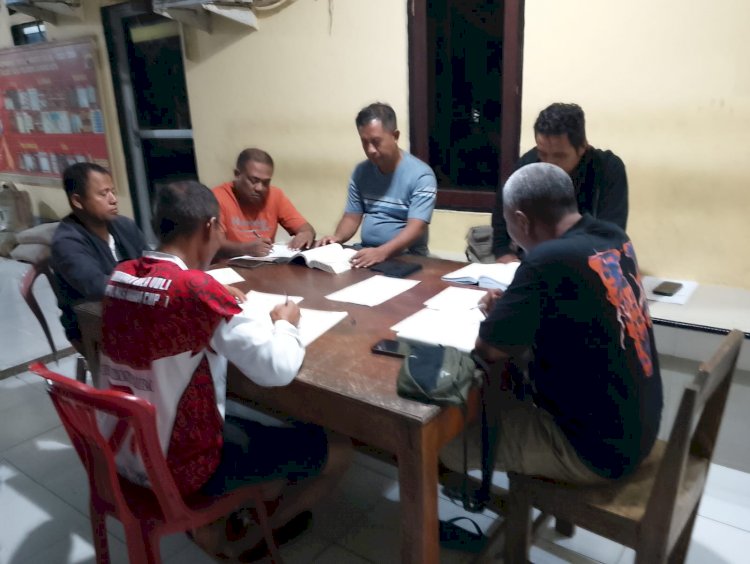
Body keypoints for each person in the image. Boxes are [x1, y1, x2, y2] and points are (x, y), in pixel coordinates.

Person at [99, 180, 350, 559]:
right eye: (220, 230)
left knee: (259, 432)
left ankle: (229, 517)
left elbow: (163, 306)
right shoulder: (198, 291)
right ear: (210, 226)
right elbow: (277, 370)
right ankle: (258, 537)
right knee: (340, 450)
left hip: (123, 452)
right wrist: (286, 323)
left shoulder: (120, 276)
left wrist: (209, 293)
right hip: (181, 465)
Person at [442, 162, 662, 485]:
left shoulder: (546, 260)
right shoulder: (612, 236)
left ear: (521, 220)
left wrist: (501, 318)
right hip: (639, 427)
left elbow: (489, 348)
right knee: (504, 395)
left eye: (507, 222)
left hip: (594, 450)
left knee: (445, 444)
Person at [491, 103, 628, 262]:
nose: (549, 164)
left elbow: (611, 234)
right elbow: (502, 213)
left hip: (590, 259)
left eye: (559, 156)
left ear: (583, 147)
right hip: (536, 259)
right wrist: (505, 255)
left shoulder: (607, 168)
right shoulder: (529, 165)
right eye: (543, 153)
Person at [317, 102, 437, 268]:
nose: (370, 150)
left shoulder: (421, 175)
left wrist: (382, 252)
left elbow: (417, 228)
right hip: (367, 252)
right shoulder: (361, 172)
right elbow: (351, 217)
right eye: (364, 142)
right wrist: (337, 238)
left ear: (395, 136)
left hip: (407, 257)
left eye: (376, 141)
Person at [50, 162, 147, 349]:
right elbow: (97, 286)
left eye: (113, 192)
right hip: (93, 325)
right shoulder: (67, 242)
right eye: (103, 194)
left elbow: (150, 262)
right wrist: (145, 285)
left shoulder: (124, 225)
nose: (113, 199)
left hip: (133, 310)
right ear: (77, 201)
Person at [212, 148, 316, 258]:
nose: (260, 188)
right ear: (237, 174)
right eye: (254, 181)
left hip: (265, 263)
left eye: (266, 183)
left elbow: (306, 228)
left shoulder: (275, 195)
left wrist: (306, 234)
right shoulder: (217, 196)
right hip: (228, 265)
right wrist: (245, 249)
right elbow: (214, 245)